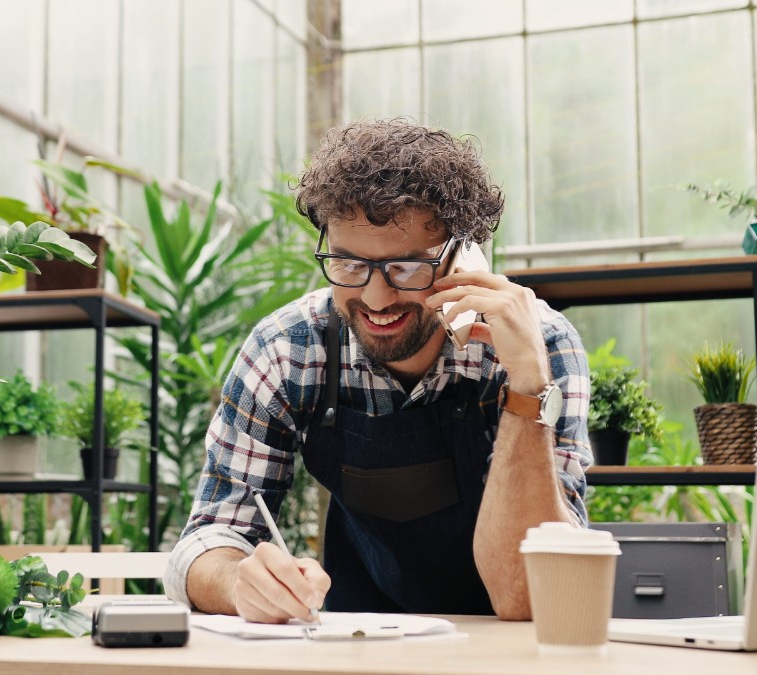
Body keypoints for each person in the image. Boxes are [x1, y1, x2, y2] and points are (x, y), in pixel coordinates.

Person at [163, 119, 591, 622]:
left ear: (465, 256)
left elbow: (530, 594)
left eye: (407, 268)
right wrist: (240, 582)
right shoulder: (287, 350)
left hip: (506, 649)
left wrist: (526, 388)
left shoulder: (540, 347)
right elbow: (208, 538)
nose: (375, 297)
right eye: (348, 265)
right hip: (358, 642)